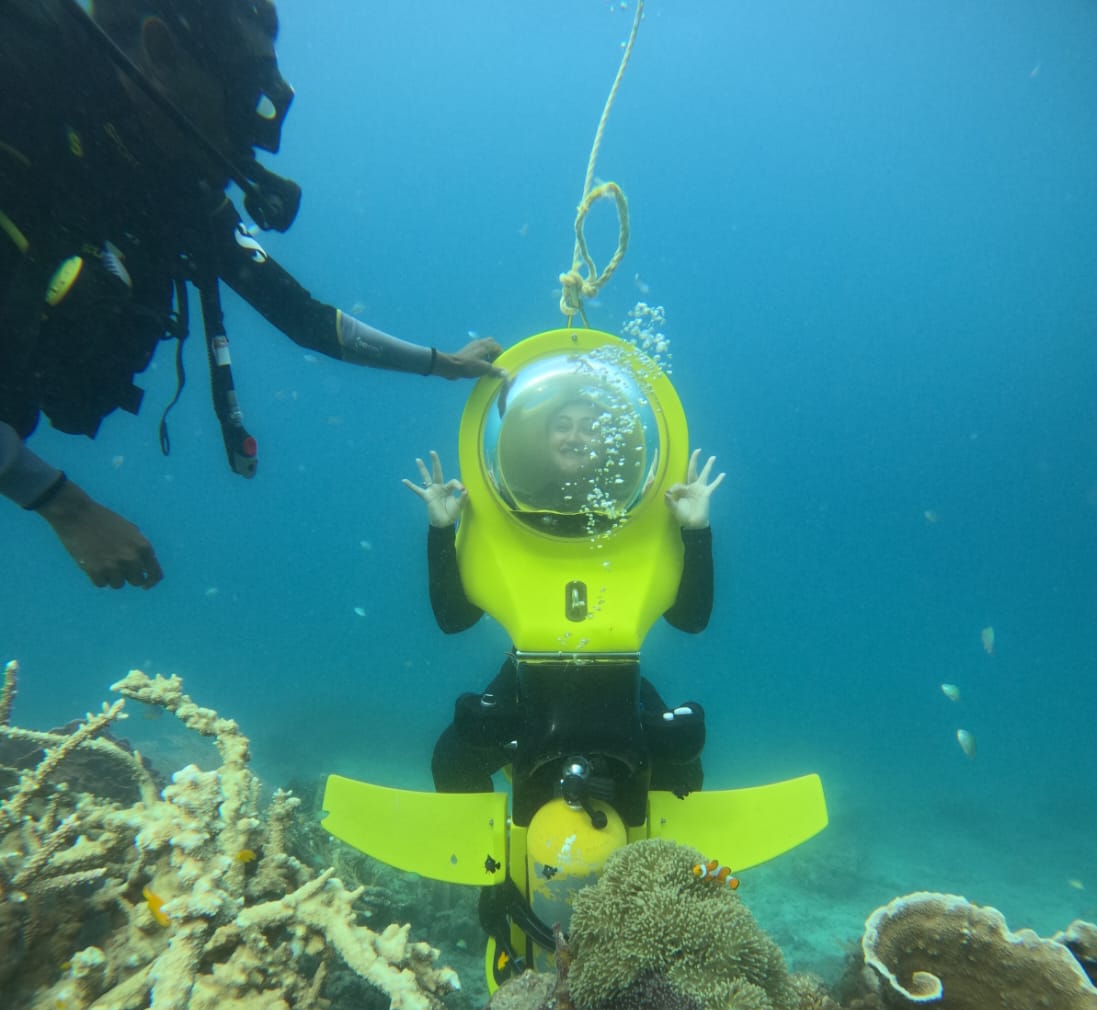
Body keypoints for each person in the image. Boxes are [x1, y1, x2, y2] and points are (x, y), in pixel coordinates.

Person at [0, 0, 503, 590]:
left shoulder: (170, 186)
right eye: (241, 94)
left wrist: (443, 366)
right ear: (160, 51)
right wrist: (65, 504)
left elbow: (306, 318)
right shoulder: (21, 104)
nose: (252, 138)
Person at [403, 429, 725, 798]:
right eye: (563, 423)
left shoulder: (646, 501)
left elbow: (692, 618)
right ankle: (492, 849)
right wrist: (441, 528)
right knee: (454, 757)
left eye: (589, 424)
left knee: (683, 762)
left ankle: (647, 850)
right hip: (530, 668)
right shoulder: (511, 498)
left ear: (608, 437)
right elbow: (453, 618)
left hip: (615, 666)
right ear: (542, 432)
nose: (576, 435)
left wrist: (696, 528)